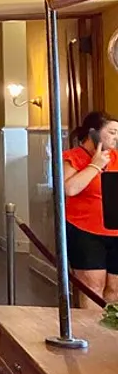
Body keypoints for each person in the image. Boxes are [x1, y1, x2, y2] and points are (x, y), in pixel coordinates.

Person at [62, 111, 118, 306]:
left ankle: (110, 335)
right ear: (93, 133)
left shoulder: (116, 157)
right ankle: (91, 333)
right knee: (93, 287)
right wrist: (95, 165)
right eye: (111, 132)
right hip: (85, 231)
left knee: (115, 288)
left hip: (114, 230)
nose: (116, 137)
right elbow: (69, 189)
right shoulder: (73, 157)